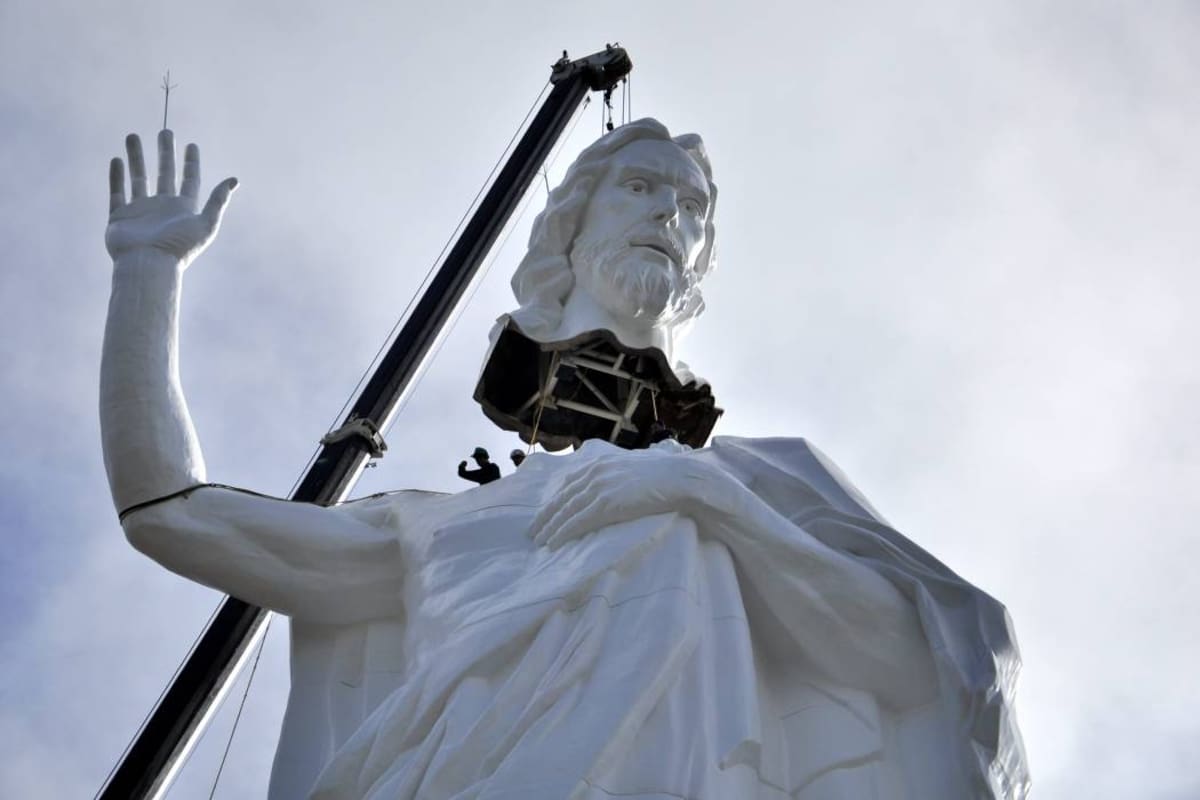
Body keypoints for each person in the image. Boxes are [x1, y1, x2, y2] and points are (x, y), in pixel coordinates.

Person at [100, 123, 1028, 799]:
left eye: (691, 205)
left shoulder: (759, 482)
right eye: (639, 187)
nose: (669, 212)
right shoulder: (434, 528)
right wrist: (148, 274)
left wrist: (702, 496)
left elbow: (918, 664)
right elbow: (170, 513)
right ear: (570, 231)